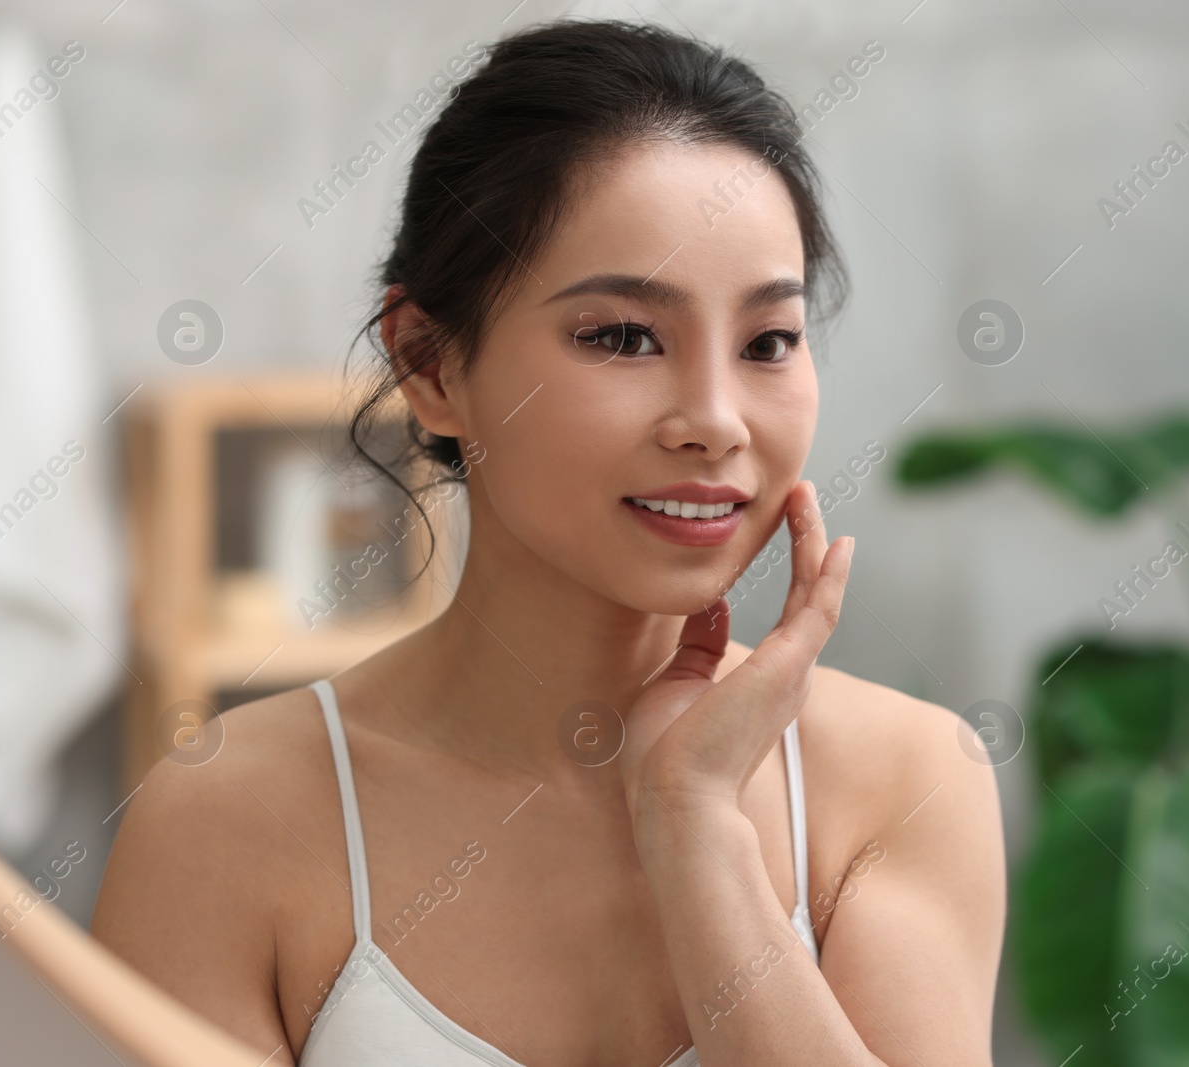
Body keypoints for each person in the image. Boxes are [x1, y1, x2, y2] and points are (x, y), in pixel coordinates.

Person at [88, 18, 1005, 1067]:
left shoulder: (906, 779)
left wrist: (696, 827)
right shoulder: (225, 820)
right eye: (620, 336)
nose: (714, 417)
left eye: (768, 342)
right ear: (430, 362)